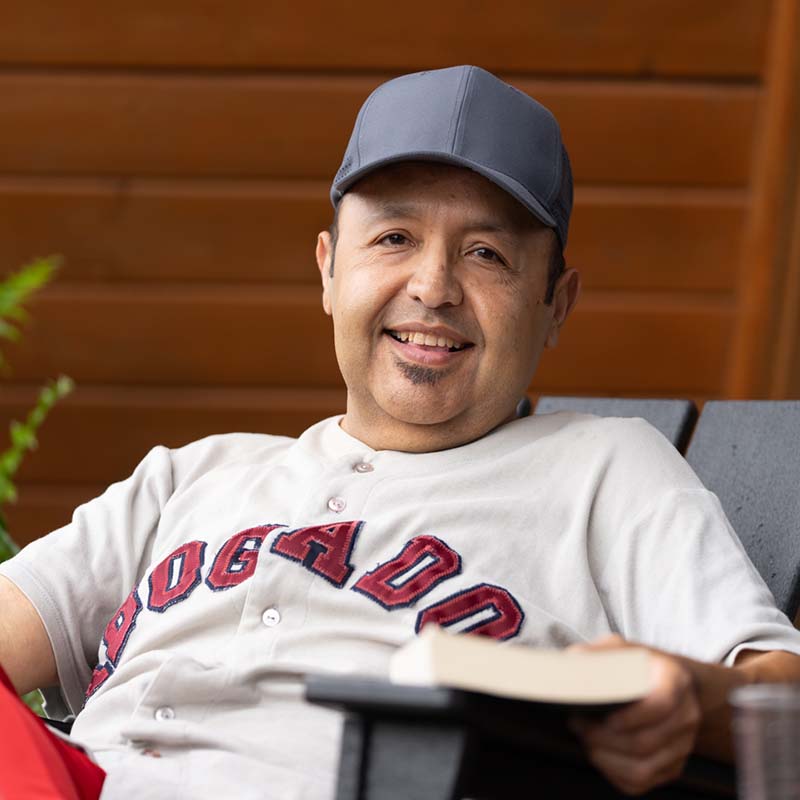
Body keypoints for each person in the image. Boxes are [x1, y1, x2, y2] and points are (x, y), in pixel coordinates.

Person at [1, 64, 799, 799]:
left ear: (555, 304)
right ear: (328, 269)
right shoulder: (192, 477)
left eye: (486, 253)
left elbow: (784, 700)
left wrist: (692, 699)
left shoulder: (606, 470)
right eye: (394, 238)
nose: (433, 286)